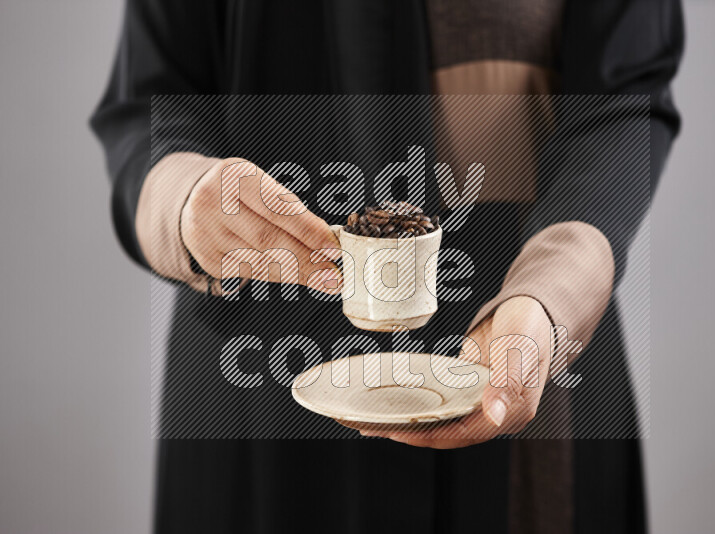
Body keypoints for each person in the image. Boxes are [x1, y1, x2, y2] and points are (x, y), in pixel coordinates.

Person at [91, 1, 683, 532]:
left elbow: (624, 98)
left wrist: (551, 291)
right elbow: (150, 102)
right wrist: (184, 199)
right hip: (256, 397)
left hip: (525, 352)